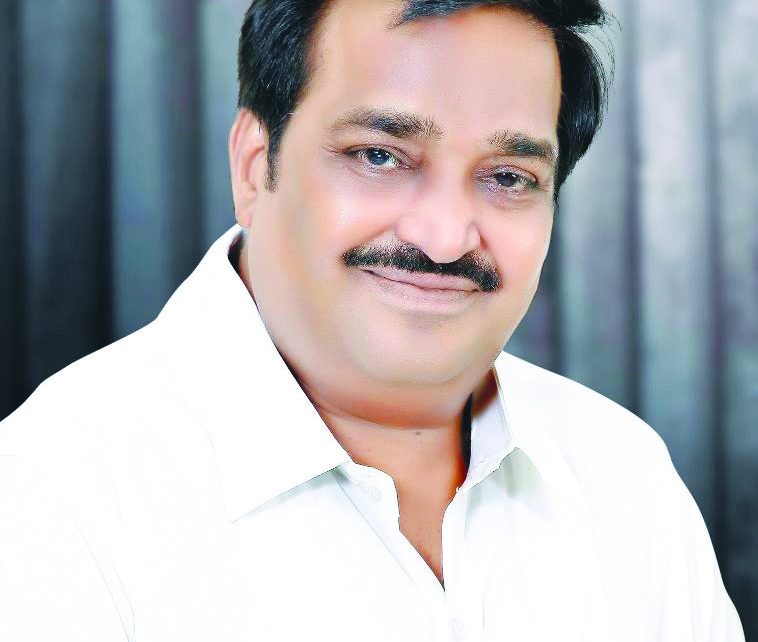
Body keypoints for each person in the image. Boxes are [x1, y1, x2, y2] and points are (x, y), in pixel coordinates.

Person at [0, 0, 745, 640]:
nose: (444, 237)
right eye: (380, 156)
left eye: (508, 177)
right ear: (254, 165)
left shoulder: (623, 474)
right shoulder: (52, 498)